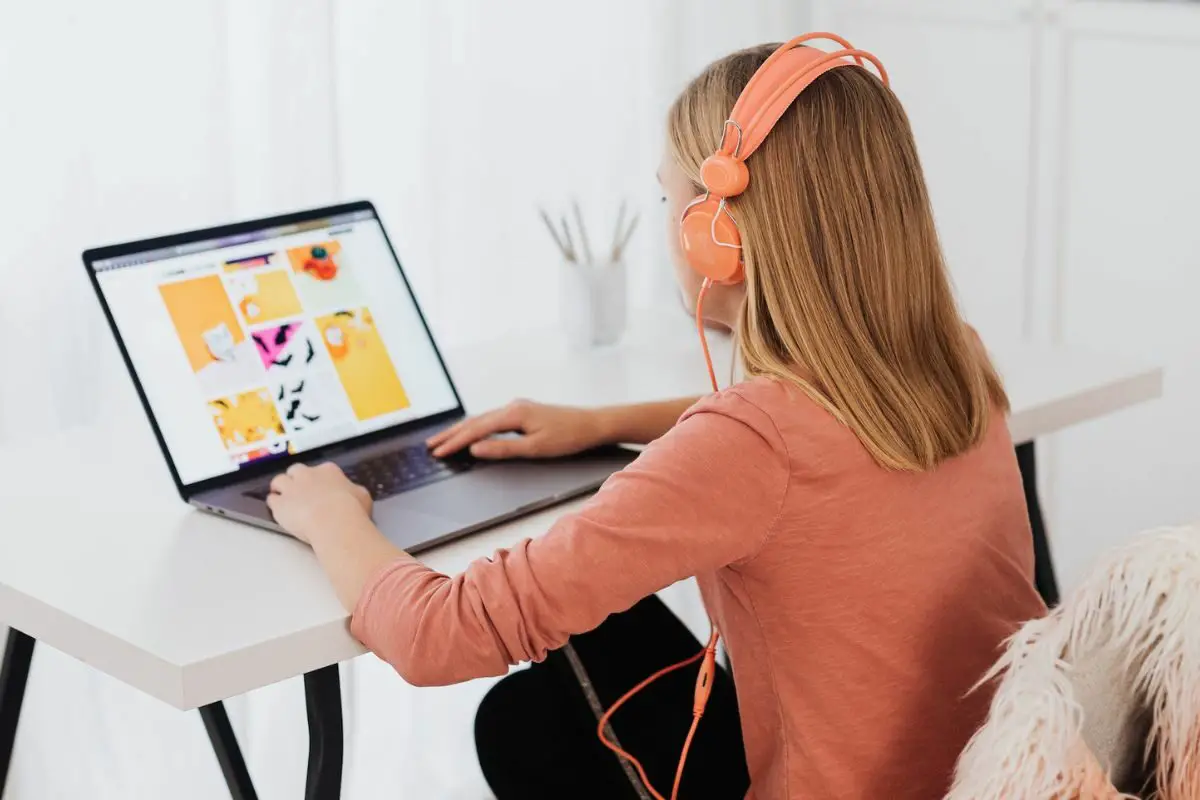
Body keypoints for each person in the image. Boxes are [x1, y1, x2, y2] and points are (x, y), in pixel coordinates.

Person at [266, 35, 1046, 800]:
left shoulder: (750, 443)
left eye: (668, 199)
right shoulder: (954, 360)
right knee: (597, 642)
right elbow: (819, 437)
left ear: (721, 241)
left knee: (522, 722)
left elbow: (441, 637)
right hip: (1000, 773)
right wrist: (606, 422)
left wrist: (333, 514)